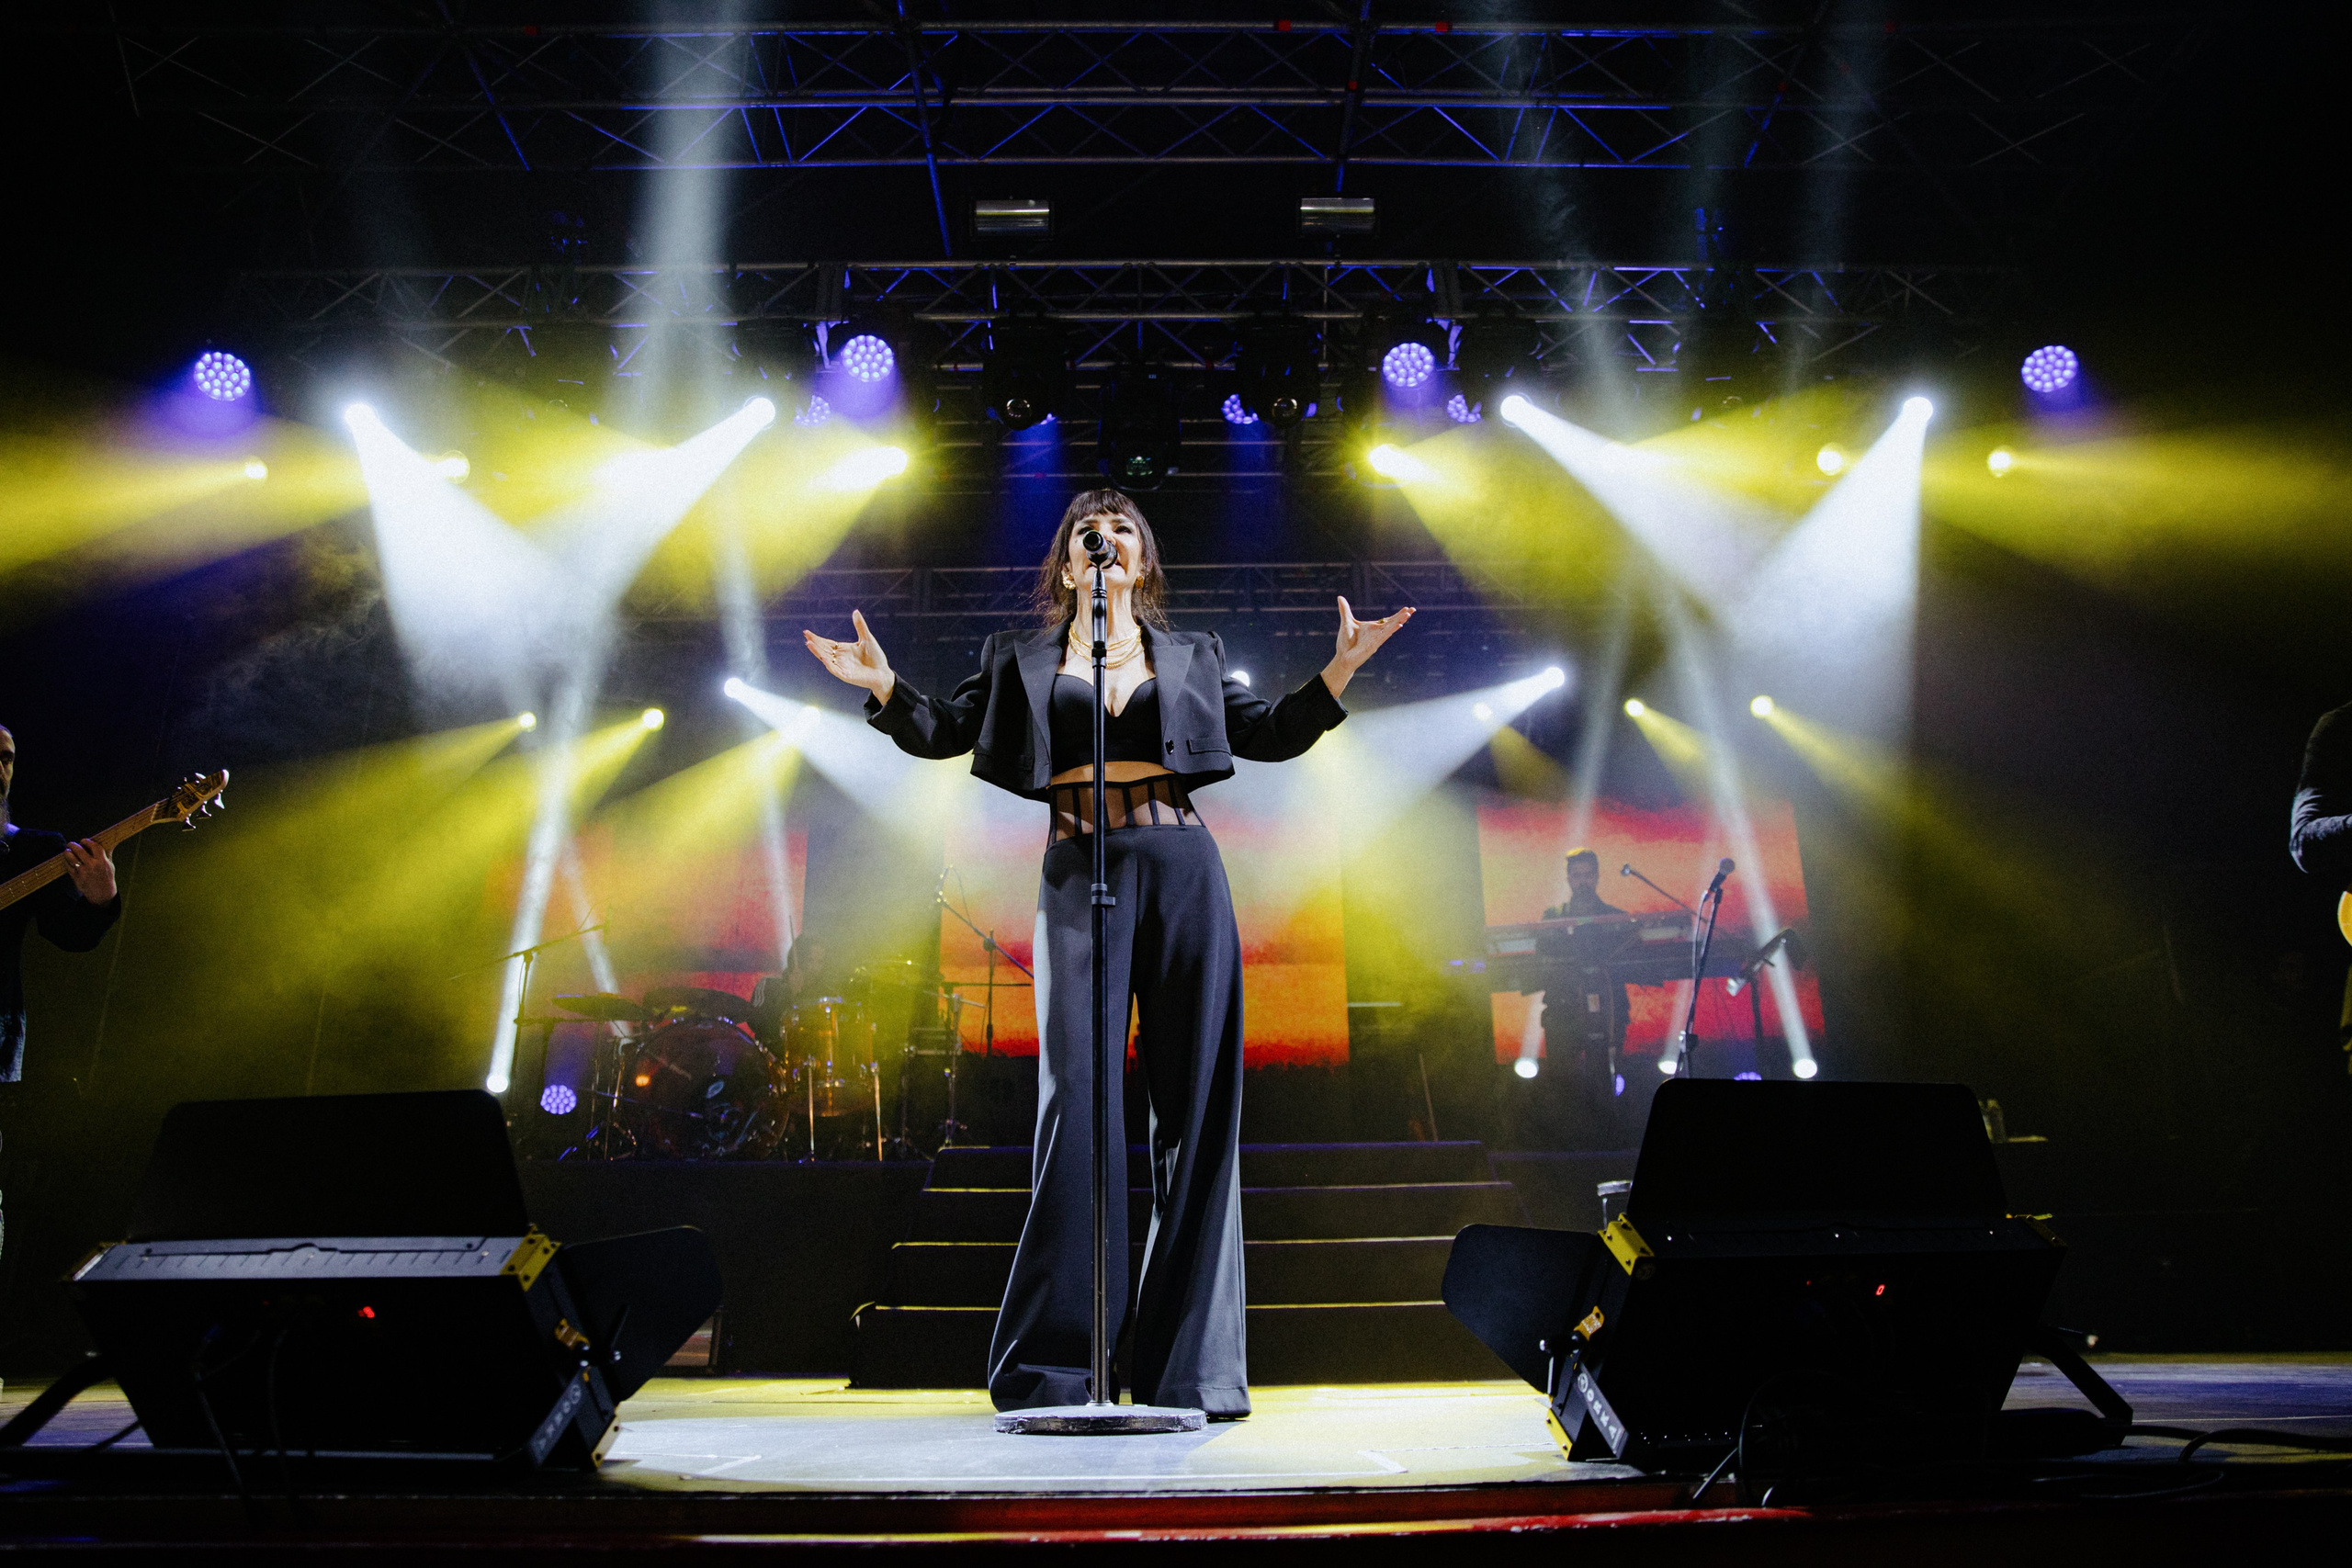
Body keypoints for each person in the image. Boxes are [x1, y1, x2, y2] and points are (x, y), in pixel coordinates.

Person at [804, 489, 1411, 1419]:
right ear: (1067, 561)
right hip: (1076, 867)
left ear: (1143, 558)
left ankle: (1189, 1371)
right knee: (1076, 1108)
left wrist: (1338, 671)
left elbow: (1266, 734)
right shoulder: (1017, 658)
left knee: (1194, 1113)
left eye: (1124, 526)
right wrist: (883, 686)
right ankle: (1058, 1367)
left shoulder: (1193, 654)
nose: (1108, 536)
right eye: (1092, 527)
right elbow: (944, 731)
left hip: (1182, 869)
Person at [1, 723, 123, 1088]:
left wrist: (101, 897)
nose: (0, 770)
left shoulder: (32, 850)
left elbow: (69, 934)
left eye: (6, 759)